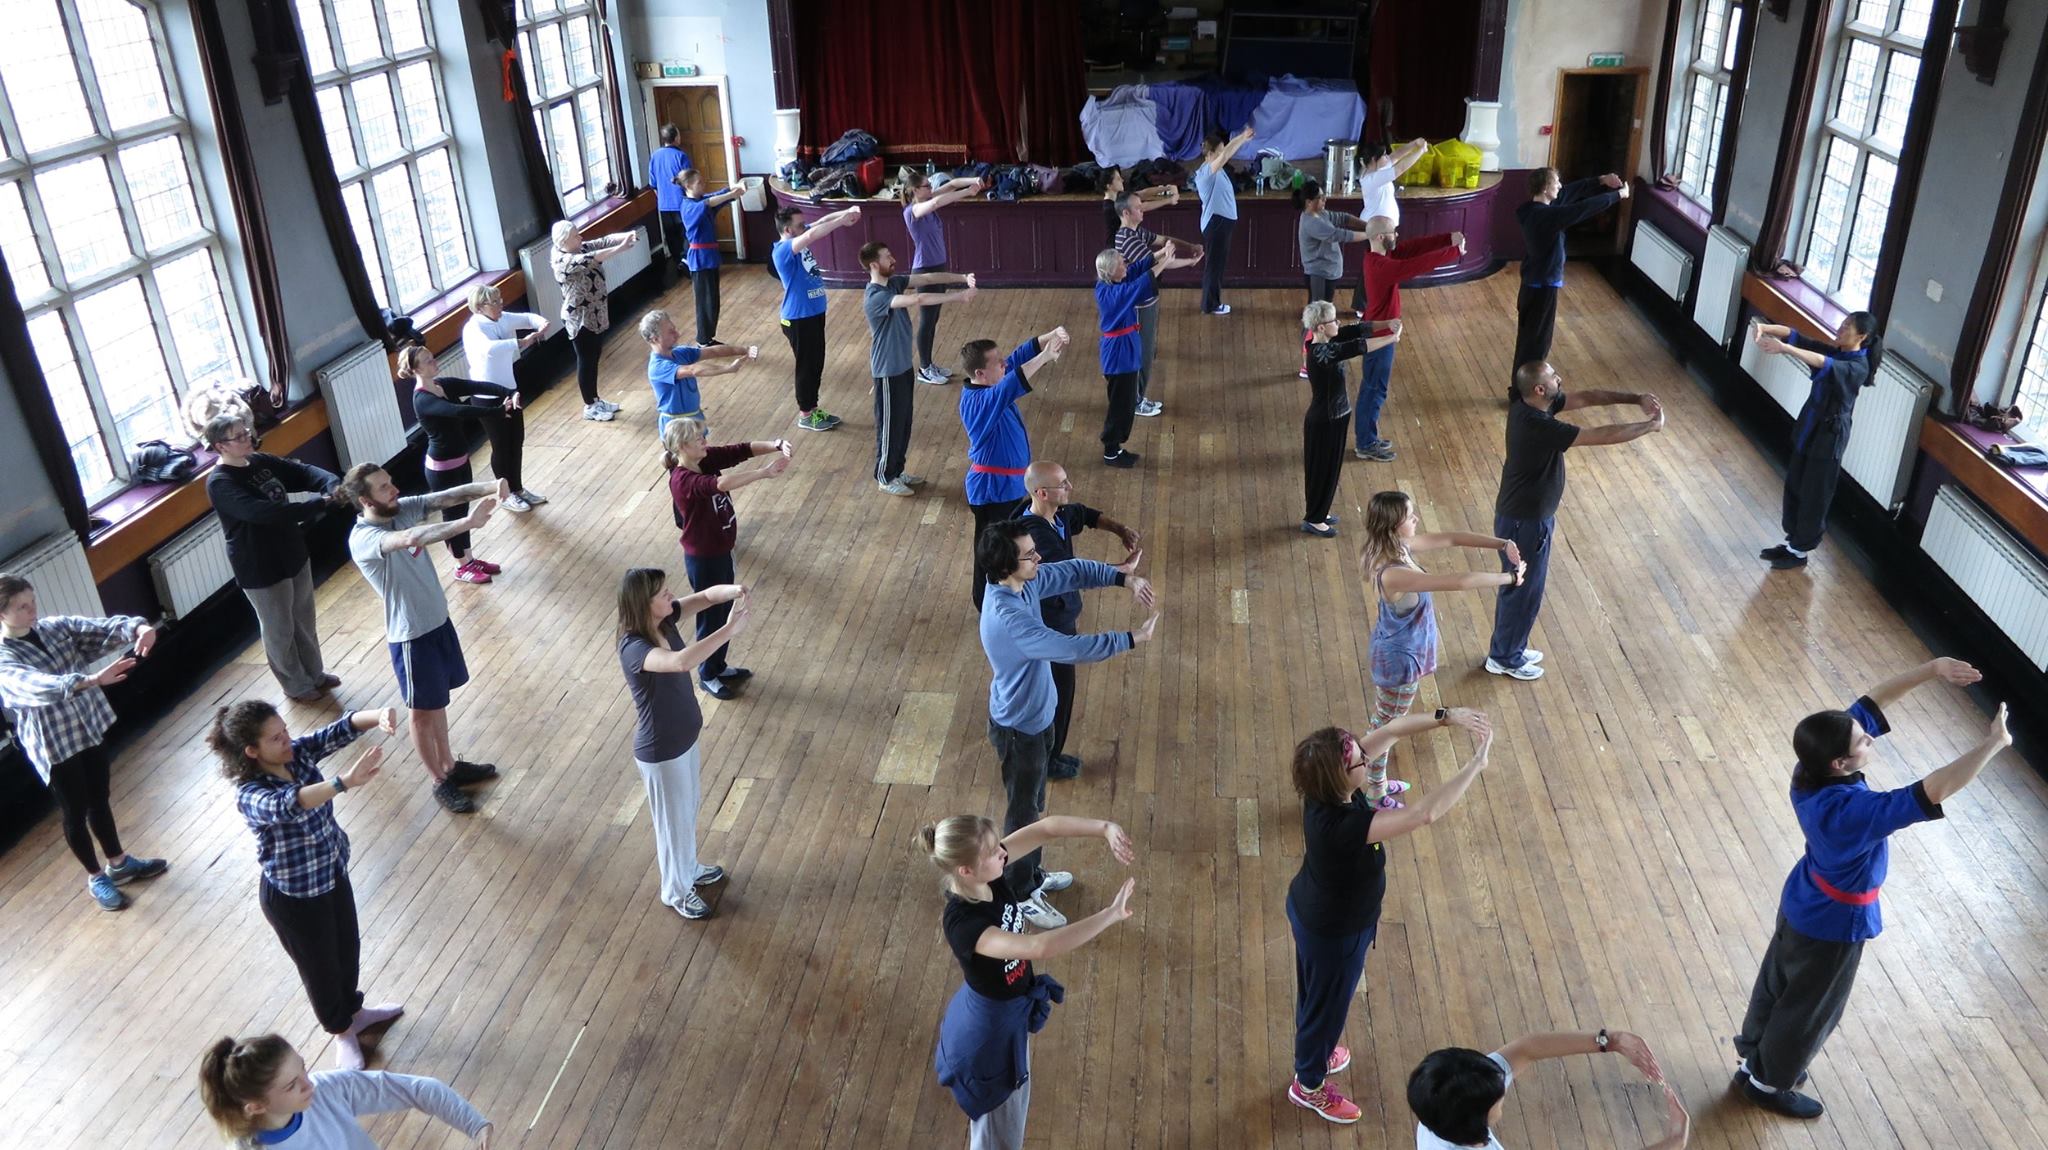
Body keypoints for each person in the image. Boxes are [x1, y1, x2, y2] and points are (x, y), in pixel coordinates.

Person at [1734, 658, 2006, 1120]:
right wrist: (1993, 744)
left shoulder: (1809, 774)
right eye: (1863, 741)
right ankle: (1768, 1083)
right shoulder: (1855, 815)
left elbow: (1872, 705)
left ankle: (1752, 1061)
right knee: (1810, 1009)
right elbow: (1935, 789)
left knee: (1777, 985)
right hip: (1833, 926)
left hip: (1802, 901)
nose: (1868, 737)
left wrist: (1933, 669)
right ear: (1842, 762)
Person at [1285, 711, 1493, 1124]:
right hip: (1334, 931)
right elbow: (1423, 815)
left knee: (1318, 999)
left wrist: (1446, 717)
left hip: (1318, 913)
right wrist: (1475, 765)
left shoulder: (1326, 788)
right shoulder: (1342, 825)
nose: (1367, 756)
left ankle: (1318, 1050)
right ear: (1341, 776)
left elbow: (1393, 731)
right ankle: (1307, 1084)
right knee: (1327, 1007)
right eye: (1359, 760)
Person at [977, 519, 1159, 928]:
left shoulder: (1023, 582)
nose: (1038, 557)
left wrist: (1119, 578)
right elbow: (1070, 647)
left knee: (1036, 804)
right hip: (1020, 730)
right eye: (1030, 554)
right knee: (1025, 814)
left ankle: (1032, 874)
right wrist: (1131, 638)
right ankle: (1021, 891)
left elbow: (1071, 569)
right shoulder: (1010, 617)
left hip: (1037, 720)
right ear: (1008, 566)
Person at [207, 700, 404, 1069]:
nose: (287, 740)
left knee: (347, 948)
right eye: (276, 738)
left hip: (330, 873)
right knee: (320, 968)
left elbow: (336, 732)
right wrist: (343, 782)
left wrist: (376, 716)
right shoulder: (250, 794)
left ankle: (355, 1012)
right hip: (294, 897)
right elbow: (289, 804)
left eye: (285, 731)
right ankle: (342, 1032)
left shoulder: (293, 755)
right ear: (252, 752)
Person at [923, 813, 1137, 1150]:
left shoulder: (985, 875)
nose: (1003, 854)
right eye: (994, 852)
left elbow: (1045, 829)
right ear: (966, 870)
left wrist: (1105, 828)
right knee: (999, 1136)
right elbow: (1041, 946)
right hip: (989, 1036)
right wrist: (1109, 915)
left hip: (1007, 1015)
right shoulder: (964, 923)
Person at [332, 464, 502, 813]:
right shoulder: (363, 538)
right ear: (365, 500)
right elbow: (412, 539)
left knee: (437, 703)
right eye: (383, 487)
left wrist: (493, 485)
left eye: (391, 482)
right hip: (411, 636)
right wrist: (467, 524)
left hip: (437, 622)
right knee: (422, 713)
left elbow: (447, 496)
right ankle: (439, 781)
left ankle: (450, 766)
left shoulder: (400, 508)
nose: (393, 489)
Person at [0, 574, 168, 912]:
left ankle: (119, 864)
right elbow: (34, 686)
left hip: (86, 727)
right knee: (74, 811)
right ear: (1, 614)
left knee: (99, 799)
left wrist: (138, 628)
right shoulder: (3, 656)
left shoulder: (54, 628)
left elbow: (98, 629)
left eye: (32, 601)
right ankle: (95, 877)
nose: (32, 610)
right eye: (21, 607)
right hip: (54, 742)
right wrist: (90, 680)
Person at [1487, 361, 1663, 681]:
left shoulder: (1530, 404)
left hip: (1526, 520)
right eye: (1554, 377)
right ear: (1539, 389)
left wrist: (1635, 397)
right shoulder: (1537, 425)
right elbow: (1601, 435)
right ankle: (1504, 657)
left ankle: (1509, 646)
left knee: (1522, 589)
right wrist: (1649, 426)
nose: (1560, 378)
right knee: (1523, 591)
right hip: (1524, 524)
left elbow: (1587, 397)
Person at [1357, 491, 1525, 806]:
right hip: (1400, 661)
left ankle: (1375, 782)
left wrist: (1501, 544)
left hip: (1399, 652)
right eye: (1410, 517)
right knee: (1388, 726)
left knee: (1387, 722)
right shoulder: (1394, 572)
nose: (1416, 520)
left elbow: (1449, 538)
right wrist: (1510, 577)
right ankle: (1374, 792)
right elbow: (1459, 581)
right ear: (1394, 525)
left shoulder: (1395, 547)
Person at [616, 568, 751, 920]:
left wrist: (734, 590)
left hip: (683, 741)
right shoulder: (634, 648)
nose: (670, 595)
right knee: (672, 823)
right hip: (661, 752)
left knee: (686, 812)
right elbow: (681, 662)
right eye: (662, 593)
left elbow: (706, 597)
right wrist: (729, 631)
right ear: (644, 605)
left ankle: (688, 870)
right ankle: (675, 891)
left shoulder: (664, 620)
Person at [1014, 461, 1143, 780]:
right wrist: (1121, 572)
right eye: (1063, 484)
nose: (1070, 488)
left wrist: (1119, 529)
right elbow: (1071, 575)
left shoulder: (1054, 515)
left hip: (1059, 616)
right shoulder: (1034, 535)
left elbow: (1084, 514)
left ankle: (1050, 754)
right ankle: (1045, 761)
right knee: (1056, 691)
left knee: (1059, 690)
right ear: (1042, 493)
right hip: (1048, 624)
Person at [201, 408, 342, 702]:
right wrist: (320, 504)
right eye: (238, 437)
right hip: (260, 565)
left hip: (292, 551)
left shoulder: (260, 462)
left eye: (247, 432)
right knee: (280, 628)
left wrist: (331, 484)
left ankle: (315, 674)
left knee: (303, 618)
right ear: (220, 446)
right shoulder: (221, 482)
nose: (248, 438)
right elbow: (262, 513)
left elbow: (302, 472)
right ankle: (296, 686)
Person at [661, 418, 792, 700]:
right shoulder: (683, 479)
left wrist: (776, 444)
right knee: (712, 617)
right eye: (698, 437)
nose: (704, 439)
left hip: (720, 551)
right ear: (683, 446)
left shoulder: (703, 459)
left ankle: (718, 665)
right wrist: (764, 473)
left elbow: (740, 450)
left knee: (723, 613)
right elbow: (722, 483)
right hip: (705, 559)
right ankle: (708, 674)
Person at [1752, 312, 1884, 571]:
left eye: (1847, 327)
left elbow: (1823, 362)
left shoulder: (1858, 366)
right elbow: (1799, 338)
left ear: (1861, 336)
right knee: (1796, 482)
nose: (1841, 328)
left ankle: (1800, 550)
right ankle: (1793, 543)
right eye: (1843, 323)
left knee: (1815, 492)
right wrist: (1766, 327)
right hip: (1810, 427)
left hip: (1829, 436)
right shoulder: (1839, 351)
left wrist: (1785, 349)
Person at [197, 1033, 492, 1148]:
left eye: (303, 1068)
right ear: (256, 1106)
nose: (307, 1083)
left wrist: (473, 1124)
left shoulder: (324, 1089)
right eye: (291, 1084)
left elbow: (413, 1089)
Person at [1408, 1031, 1688, 1149]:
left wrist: (1610, 1040)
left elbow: (1528, 1049)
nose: (1504, 1090)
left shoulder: (1441, 1099)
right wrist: (1673, 1141)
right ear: (1475, 1124)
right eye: (1498, 1100)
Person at [959, 327, 1071, 610]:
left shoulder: (990, 387)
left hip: (1004, 488)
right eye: (997, 362)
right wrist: (1045, 357)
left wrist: (1047, 337)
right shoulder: (981, 401)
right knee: (992, 550)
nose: (1004, 363)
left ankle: (1003, 597)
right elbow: (1015, 380)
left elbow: (1017, 358)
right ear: (980, 374)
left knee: (1005, 545)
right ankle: (985, 602)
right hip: (992, 492)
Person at [398, 345, 528, 584]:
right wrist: (498, 411)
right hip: (442, 470)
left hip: (460, 461)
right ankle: (461, 566)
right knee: (453, 517)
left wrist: (509, 391)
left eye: (432, 357)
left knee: (464, 512)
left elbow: (476, 385)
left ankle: (469, 558)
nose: (433, 362)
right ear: (416, 369)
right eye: (427, 361)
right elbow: (459, 411)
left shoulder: (442, 385)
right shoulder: (423, 400)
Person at [861, 241, 977, 495]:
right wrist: (958, 296)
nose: (892, 258)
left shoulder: (893, 282)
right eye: (887, 256)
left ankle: (898, 470)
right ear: (873, 265)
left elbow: (927, 278)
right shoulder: (876, 297)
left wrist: (961, 277)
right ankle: (885, 476)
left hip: (902, 368)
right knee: (890, 426)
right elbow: (919, 298)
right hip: (887, 372)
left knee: (903, 423)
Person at [1356, 218, 1463, 460]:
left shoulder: (1381, 257)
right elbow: (1417, 264)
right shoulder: (1382, 266)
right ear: (1381, 237)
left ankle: (1367, 438)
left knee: (1374, 388)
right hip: (1379, 336)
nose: (1397, 235)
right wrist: (1453, 251)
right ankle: (1365, 443)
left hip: (1381, 331)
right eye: (1393, 232)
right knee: (1374, 390)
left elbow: (1415, 249)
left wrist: (1447, 239)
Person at [1514, 168, 1628, 387]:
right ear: (1546, 188)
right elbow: (1582, 209)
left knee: (1528, 341)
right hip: (1542, 288)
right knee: (1537, 345)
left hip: (1533, 285)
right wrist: (1618, 196)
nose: (1560, 186)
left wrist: (1600, 179)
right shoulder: (1546, 216)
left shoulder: (1533, 210)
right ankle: (1524, 394)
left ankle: (1519, 390)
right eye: (1556, 182)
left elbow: (1569, 193)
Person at [1095, 241, 1200, 467]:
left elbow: (1136, 269)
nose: (1126, 265)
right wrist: (1164, 262)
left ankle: (1116, 447)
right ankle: (1111, 451)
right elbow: (1140, 283)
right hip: (1118, 355)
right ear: (1110, 271)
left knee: (1125, 403)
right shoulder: (1113, 294)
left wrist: (1160, 254)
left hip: (1125, 349)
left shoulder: (1113, 282)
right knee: (1120, 406)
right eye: (1121, 264)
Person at [1299, 301, 1400, 537]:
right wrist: (1391, 339)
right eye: (1333, 321)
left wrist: (1387, 323)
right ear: (1321, 328)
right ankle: (1313, 518)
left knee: (1330, 469)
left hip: (1336, 417)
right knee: (1321, 470)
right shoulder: (1321, 352)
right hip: (1324, 421)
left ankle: (1319, 512)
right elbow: (1359, 346)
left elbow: (1358, 329)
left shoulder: (1329, 339)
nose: (1338, 323)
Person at [772, 205, 863, 432]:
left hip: (813, 314)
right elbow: (813, 233)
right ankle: (805, 414)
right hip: (798, 318)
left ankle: (813, 408)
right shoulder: (782, 250)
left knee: (816, 363)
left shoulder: (798, 235)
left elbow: (820, 223)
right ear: (787, 230)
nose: (805, 227)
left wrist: (846, 212)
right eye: (800, 225)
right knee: (807, 366)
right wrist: (843, 220)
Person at [1112, 191, 1195, 416]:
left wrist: (1187, 245)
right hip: (1139, 305)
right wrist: (1189, 261)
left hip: (1148, 299)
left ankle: (1138, 397)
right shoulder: (1126, 239)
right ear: (1126, 213)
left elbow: (1162, 240)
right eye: (1138, 208)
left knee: (1147, 351)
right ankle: (1136, 401)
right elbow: (1157, 263)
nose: (1143, 210)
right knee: (1143, 353)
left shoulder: (1136, 232)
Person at [550, 220, 640, 422]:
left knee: (594, 357)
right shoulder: (563, 261)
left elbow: (603, 241)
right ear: (564, 241)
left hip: (594, 312)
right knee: (586, 360)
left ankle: (595, 398)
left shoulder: (577, 247)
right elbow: (594, 257)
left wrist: (628, 233)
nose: (580, 237)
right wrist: (621, 247)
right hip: (580, 318)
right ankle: (590, 406)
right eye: (575, 235)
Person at [899, 171, 984, 383]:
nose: (930, 187)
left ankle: (929, 364)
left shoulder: (927, 198)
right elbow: (937, 202)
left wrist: (972, 180)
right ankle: (924, 369)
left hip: (938, 265)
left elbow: (951, 184)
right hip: (924, 270)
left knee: (934, 318)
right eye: (926, 186)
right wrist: (967, 193)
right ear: (915, 190)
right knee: (927, 321)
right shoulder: (913, 210)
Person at [460, 286, 548, 474]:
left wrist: (542, 324)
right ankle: (506, 492)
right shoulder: (473, 328)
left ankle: (517, 488)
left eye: (500, 300)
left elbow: (527, 318)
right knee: (501, 446)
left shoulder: (502, 318)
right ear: (480, 307)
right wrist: (521, 342)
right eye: (495, 302)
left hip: (509, 390)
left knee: (516, 442)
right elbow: (489, 348)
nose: (501, 305)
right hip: (487, 397)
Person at [638, 308, 756, 442]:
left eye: (674, 328)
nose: (677, 334)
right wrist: (728, 368)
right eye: (671, 332)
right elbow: (693, 370)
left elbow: (712, 352)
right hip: (676, 427)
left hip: (694, 418)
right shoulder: (657, 367)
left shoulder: (681, 353)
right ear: (655, 339)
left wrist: (744, 350)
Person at [1346, 138, 1433, 315]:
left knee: (1381, 265)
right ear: (1372, 160)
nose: (1387, 156)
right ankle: (1362, 307)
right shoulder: (1371, 178)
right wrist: (1420, 151)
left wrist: (1413, 143)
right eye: (1382, 155)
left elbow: (1395, 157)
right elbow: (1399, 168)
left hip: (1383, 228)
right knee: (1372, 266)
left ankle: (1370, 303)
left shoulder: (1378, 168)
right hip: (1375, 230)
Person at [1295, 179, 1371, 379]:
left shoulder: (1321, 214)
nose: (1324, 200)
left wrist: (1368, 226)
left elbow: (1344, 219)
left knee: (1321, 317)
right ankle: (1307, 363)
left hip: (1327, 274)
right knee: (1315, 320)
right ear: (1310, 202)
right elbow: (1339, 234)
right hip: (1318, 275)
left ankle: (1320, 356)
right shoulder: (1311, 222)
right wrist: (1370, 234)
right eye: (1320, 198)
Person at [1192, 125, 1255, 315]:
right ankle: (1210, 305)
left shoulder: (1214, 169)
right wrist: (1242, 137)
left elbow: (1226, 153)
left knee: (1217, 266)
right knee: (1214, 266)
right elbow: (1226, 155)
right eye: (1218, 152)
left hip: (1221, 224)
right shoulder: (1206, 173)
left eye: (1222, 151)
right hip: (1216, 224)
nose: (1222, 156)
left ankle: (1211, 302)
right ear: (1210, 154)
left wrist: (1242, 138)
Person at [675, 169, 743, 343]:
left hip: (709, 257)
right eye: (699, 183)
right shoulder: (689, 206)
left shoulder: (699, 201)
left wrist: (732, 190)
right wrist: (730, 194)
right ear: (688, 186)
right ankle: (703, 340)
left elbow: (716, 196)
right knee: (705, 303)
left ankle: (708, 338)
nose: (703, 185)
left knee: (713, 301)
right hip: (700, 259)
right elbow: (710, 202)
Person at [650, 123, 693, 285]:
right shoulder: (681, 156)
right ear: (675, 138)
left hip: (664, 205)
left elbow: (653, 183)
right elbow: (689, 180)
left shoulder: (655, 156)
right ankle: (687, 263)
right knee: (686, 234)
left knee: (672, 236)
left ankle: (678, 264)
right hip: (681, 203)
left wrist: (662, 198)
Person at [1099, 166, 1175, 244]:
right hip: (1117, 248)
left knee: (1168, 241)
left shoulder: (1119, 197)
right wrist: (1169, 200)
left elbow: (1143, 193)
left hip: (1129, 240)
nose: (1122, 180)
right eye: (1118, 179)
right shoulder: (1109, 207)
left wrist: (1167, 188)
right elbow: (1142, 207)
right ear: (1109, 186)